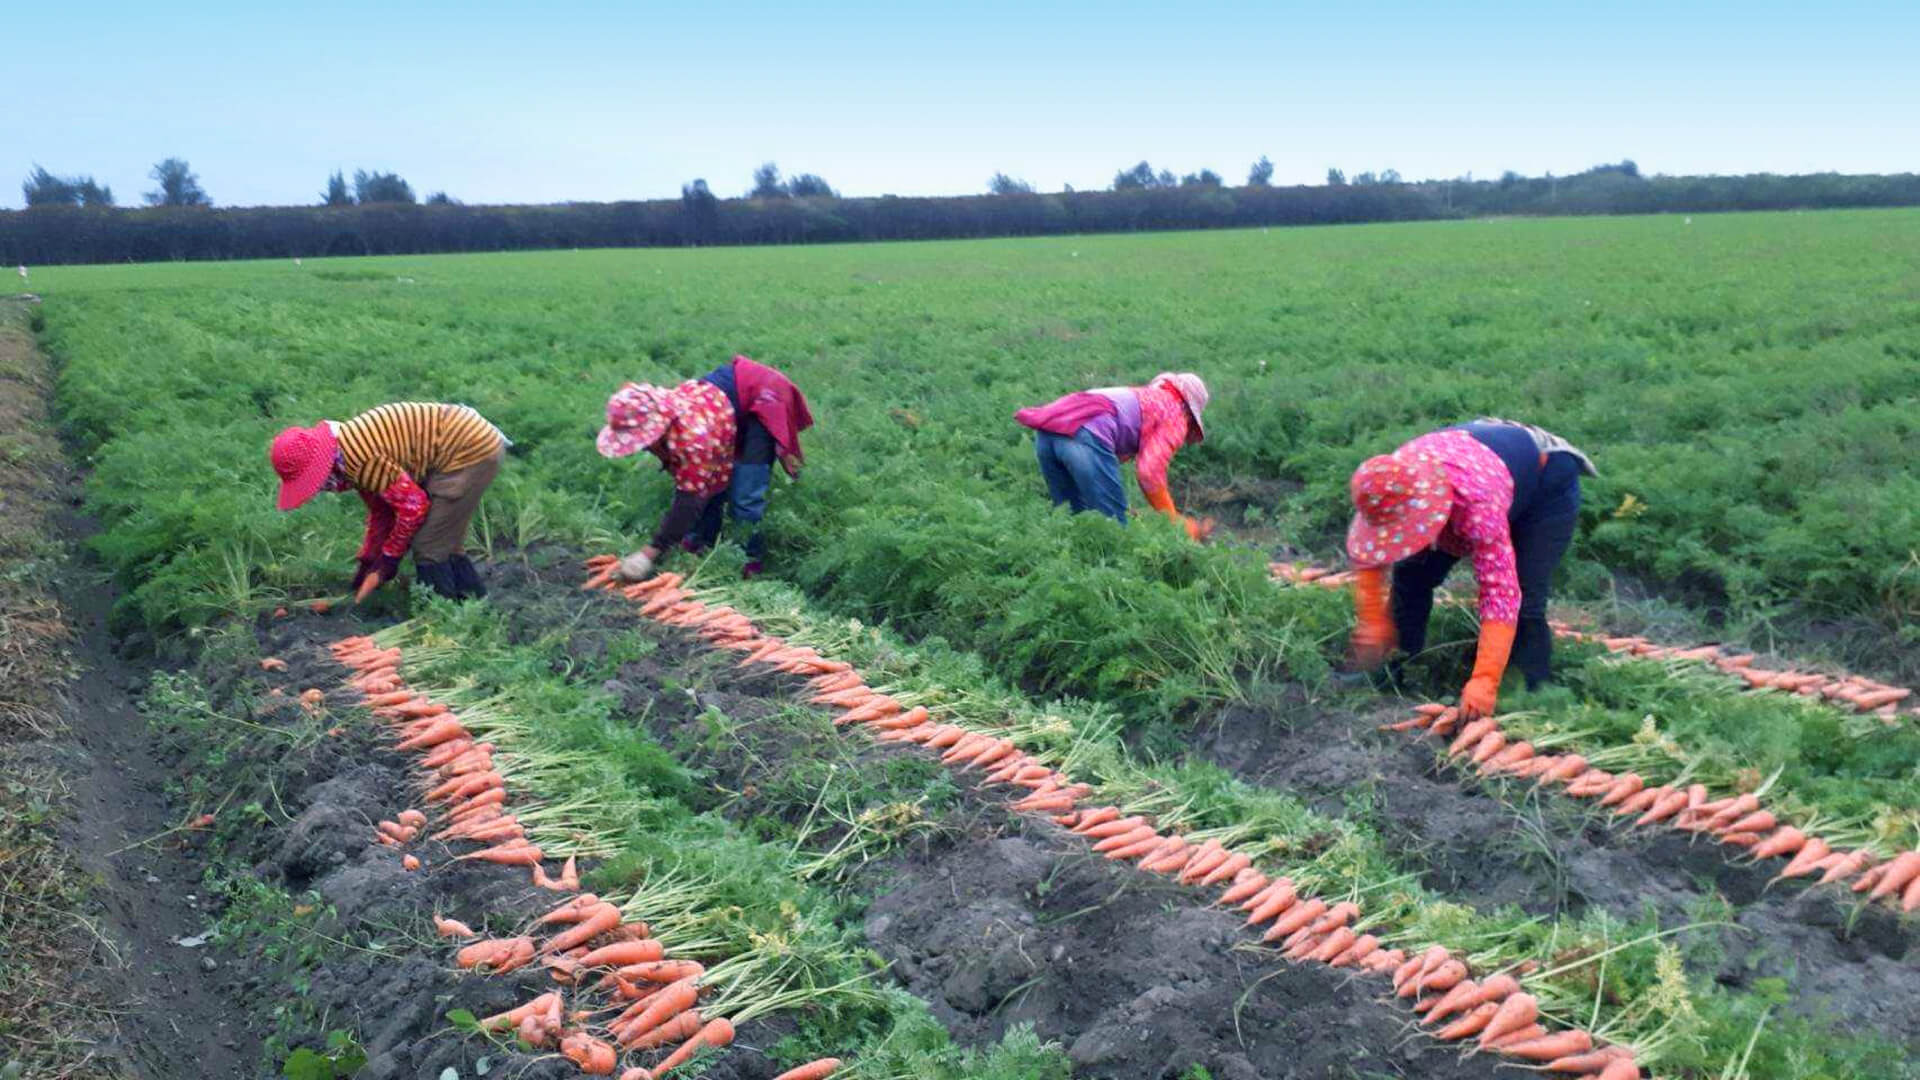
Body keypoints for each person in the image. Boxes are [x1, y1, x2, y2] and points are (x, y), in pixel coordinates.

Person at [1346, 417, 1597, 719]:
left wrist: (1484, 680)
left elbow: (1500, 592)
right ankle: (1397, 672)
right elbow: (1371, 554)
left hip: (1545, 483)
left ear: (1425, 508)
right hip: (1480, 463)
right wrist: (1373, 620)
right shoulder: (1388, 482)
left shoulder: (1478, 507)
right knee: (1411, 576)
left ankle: (1532, 700)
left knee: (1526, 596)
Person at [597, 354, 812, 580]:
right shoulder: (660, 412)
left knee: (745, 496)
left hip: (764, 396)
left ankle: (747, 562)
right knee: (708, 480)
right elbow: (700, 482)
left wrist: (650, 552)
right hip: (725, 396)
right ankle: (702, 540)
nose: (641, 446)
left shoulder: (693, 440)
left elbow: (689, 499)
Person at [270, 402, 508, 601]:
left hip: (469, 451)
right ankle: (474, 605)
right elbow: (382, 510)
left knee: (429, 546)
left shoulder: (358, 460)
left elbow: (413, 507)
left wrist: (388, 562)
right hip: (463, 441)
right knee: (444, 540)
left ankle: (440, 622)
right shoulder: (346, 451)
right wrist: (369, 561)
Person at [1014, 372, 1213, 540]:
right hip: (1084, 435)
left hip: (1047, 434)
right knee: (1114, 533)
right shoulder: (1175, 413)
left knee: (1071, 521)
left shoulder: (1143, 397)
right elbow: (1149, 472)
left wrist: (1122, 506)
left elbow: (1106, 464)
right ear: (1190, 413)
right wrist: (1173, 520)